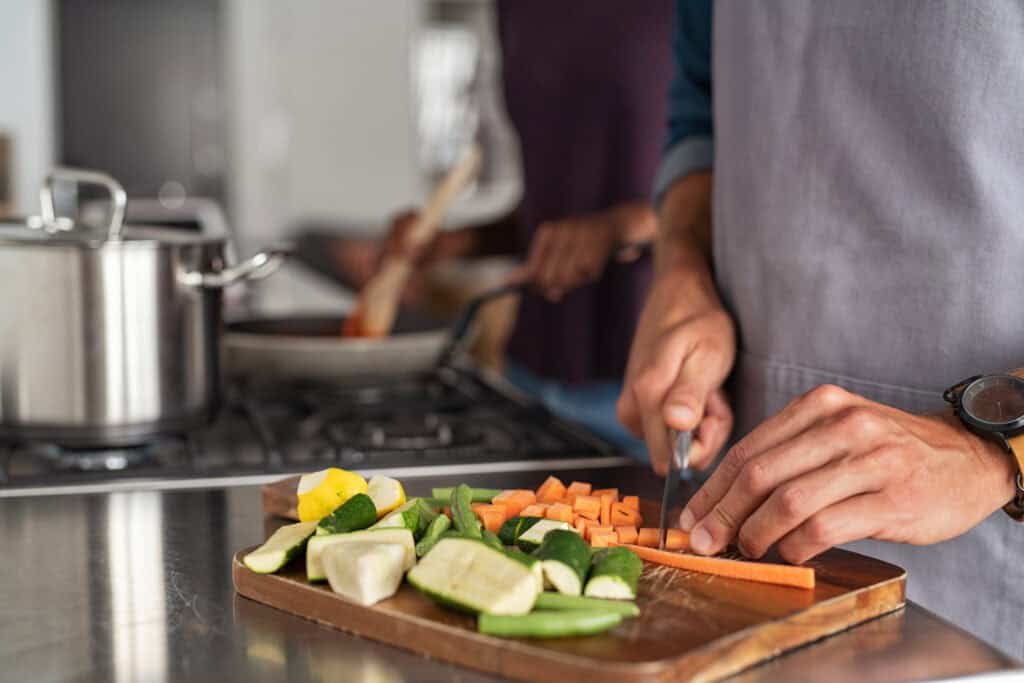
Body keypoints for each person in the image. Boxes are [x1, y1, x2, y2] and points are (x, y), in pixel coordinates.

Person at [619, 1, 1024, 657]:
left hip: (990, 574)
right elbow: (700, 115)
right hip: (749, 554)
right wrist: (683, 270)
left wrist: (989, 446)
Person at [374, 0, 674, 458]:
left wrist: (624, 225)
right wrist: (455, 242)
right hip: (529, 381)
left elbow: (751, 194)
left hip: (655, 385)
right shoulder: (514, 10)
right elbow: (552, 202)